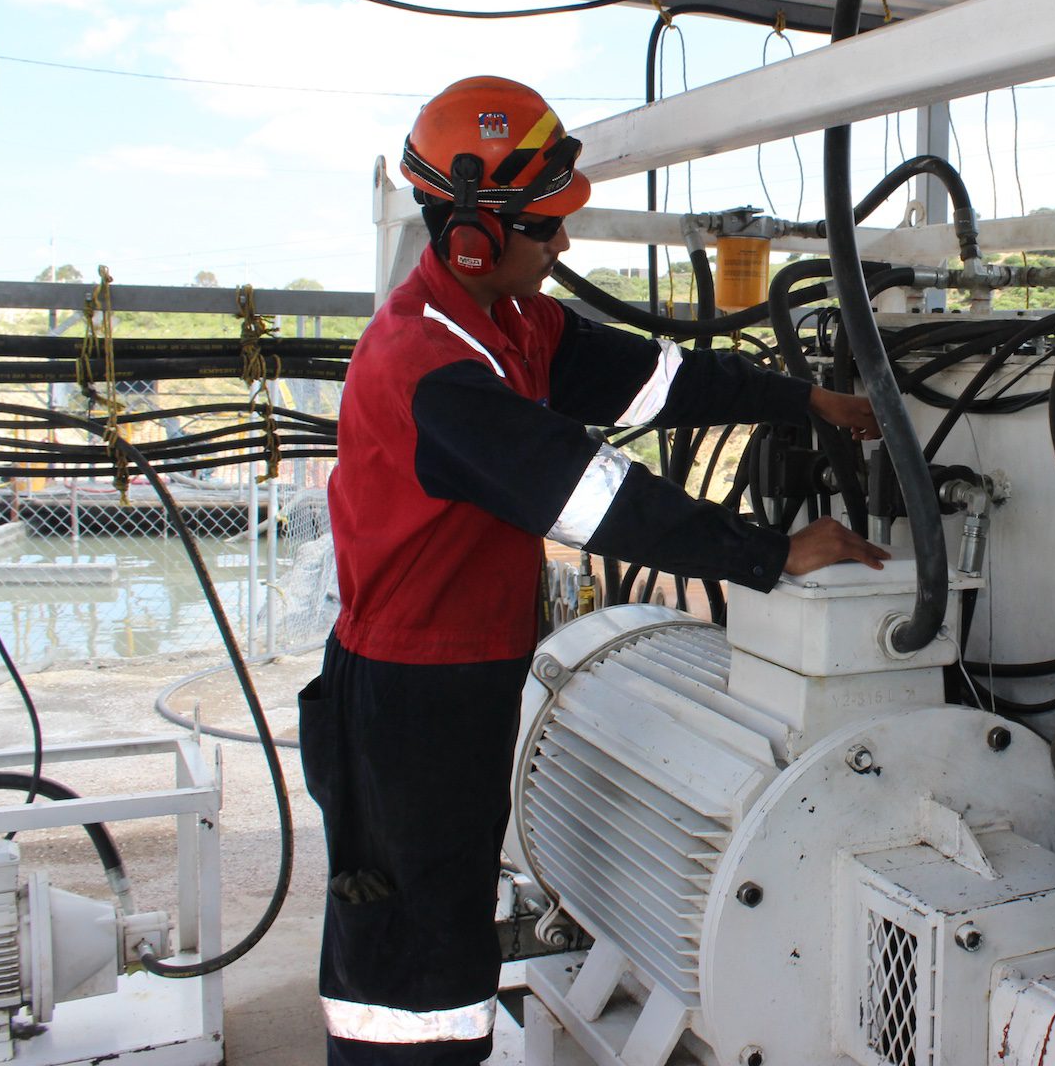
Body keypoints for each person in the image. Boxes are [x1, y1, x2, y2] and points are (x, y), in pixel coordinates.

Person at [299, 76, 888, 1063]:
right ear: (475, 235)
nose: (564, 248)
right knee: (408, 976)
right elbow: (598, 495)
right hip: (407, 702)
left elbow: (661, 380)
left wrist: (806, 401)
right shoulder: (428, 364)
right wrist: (771, 552)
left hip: (468, 680)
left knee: (446, 923)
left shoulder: (510, 322)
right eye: (546, 229)